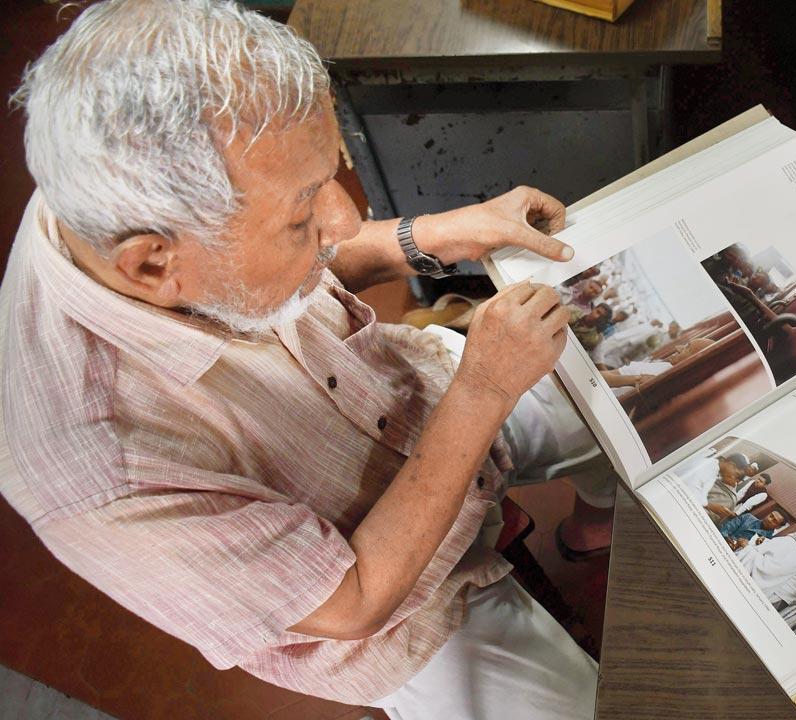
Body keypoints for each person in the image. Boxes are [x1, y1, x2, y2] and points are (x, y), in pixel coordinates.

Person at [0, 3, 611, 719]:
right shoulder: (98, 475)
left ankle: (592, 525)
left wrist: (431, 236)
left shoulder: (117, 168)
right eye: (302, 215)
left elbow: (277, 258)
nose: (345, 221)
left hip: (405, 392)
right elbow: (353, 602)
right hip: (395, 603)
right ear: (150, 264)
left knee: (632, 389)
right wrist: (482, 390)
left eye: (334, 172)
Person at [735, 524, 796, 606]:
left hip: (753, 583)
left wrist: (747, 548)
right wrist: (765, 542)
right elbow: (777, 552)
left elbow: (771, 568)